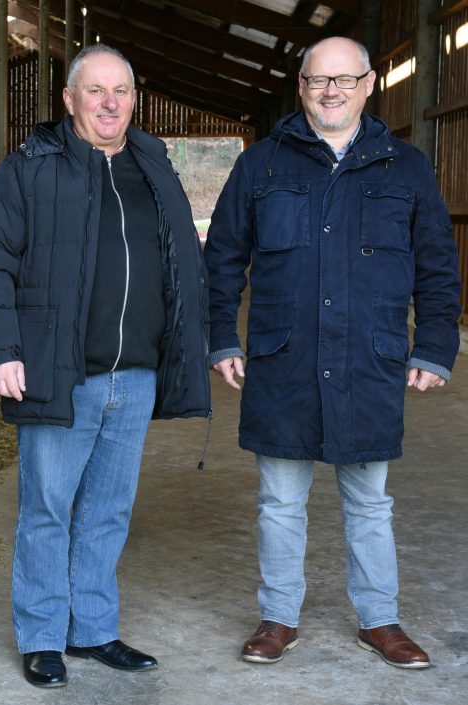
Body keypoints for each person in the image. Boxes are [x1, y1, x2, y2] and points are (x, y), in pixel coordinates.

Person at [204, 36, 462, 669]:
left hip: (367, 358)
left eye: (345, 80)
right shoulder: (261, 165)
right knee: (280, 501)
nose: (332, 91)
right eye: (320, 80)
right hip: (283, 355)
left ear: (369, 84)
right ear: (301, 86)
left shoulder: (406, 167)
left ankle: (380, 620)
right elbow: (222, 261)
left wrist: (433, 344)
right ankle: (278, 617)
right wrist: (218, 336)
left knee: (370, 501)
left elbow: (437, 264)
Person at [0, 44, 210, 688]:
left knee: (108, 508)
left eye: (121, 90)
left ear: (135, 98)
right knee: (47, 505)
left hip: (135, 372)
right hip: (56, 368)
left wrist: (188, 344)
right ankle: (42, 634)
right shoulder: (29, 170)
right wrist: (1, 351)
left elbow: (182, 263)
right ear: (69, 99)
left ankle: (94, 628)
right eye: (95, 90)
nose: (109, 102)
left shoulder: (154, 166)